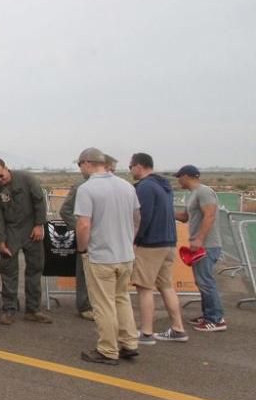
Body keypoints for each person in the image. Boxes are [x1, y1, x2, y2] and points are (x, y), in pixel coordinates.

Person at [74, 147, 140, 365]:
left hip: (101, 256)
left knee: (103, 304)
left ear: (86, 163)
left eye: (79, 165)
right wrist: (128, 240)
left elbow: (83, 224)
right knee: (122, 299)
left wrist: (83, 248)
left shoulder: (87, 189)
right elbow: (137, 218)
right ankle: (129, 343)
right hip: (125, 255)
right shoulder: (127, 186)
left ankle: (108, 349)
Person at [130, 153, 188, 343]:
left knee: (144, 287)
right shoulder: (164, 186)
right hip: (168, 241)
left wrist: (136, 239)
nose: (130, 170)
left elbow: (143, 217)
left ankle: (146, 332)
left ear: (139, 166)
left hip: (151, 244)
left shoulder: (146, 187)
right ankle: (178, 328)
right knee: (166, 286)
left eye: (131, 166)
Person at [0, 158, 51, 324]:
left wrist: (39, 225)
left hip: (32, 229)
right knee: (8, 271)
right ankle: (9, 309)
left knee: (35, 269)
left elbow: (39, 201)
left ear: (7, 169)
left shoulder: (27, 179)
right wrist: (1, 240)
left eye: (1, 176)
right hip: (11, 231)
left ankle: (33, 309)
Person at [174, 165, 227, 332]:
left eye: (179, 177)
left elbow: (209, 215)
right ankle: (209, 315)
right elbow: (184, 217)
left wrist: (199, 238)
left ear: (187, 176)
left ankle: (216, 319)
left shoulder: (204, 192)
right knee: (202, 281)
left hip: (207, 245)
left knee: (205, 281)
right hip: (202, 244)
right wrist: (165, 211)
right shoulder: (194, 195)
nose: (178, 180)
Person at [60, 170, 94, 321]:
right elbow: (65, 211)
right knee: (84, 271)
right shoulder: (81, 186)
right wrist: (80, 228)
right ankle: (85, 306)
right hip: (88, 237)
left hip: (108, 239)